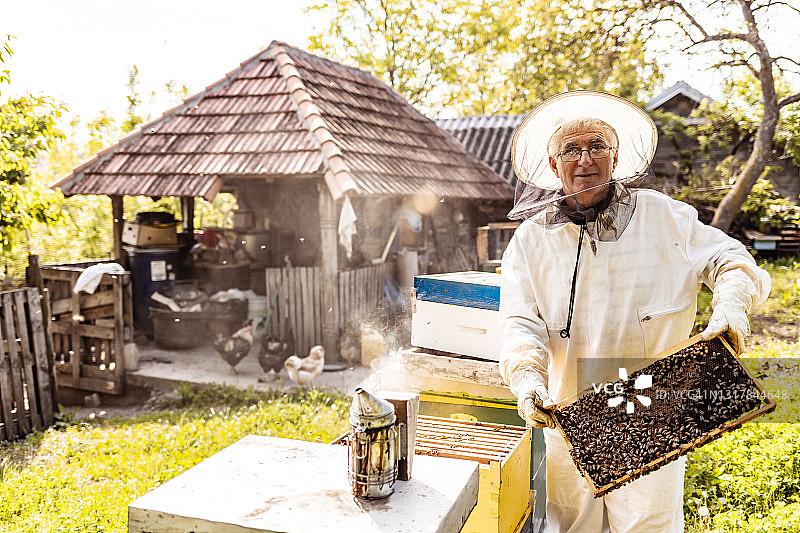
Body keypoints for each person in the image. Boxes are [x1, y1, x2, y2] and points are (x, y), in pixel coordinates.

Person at [498, 91, 771, 533]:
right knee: (573, 527)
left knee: (649, 527)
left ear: (616, 156)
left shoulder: (665, 218)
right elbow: (518, 322)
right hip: (570, 418)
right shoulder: (530, 242)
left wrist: (732, 305)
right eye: (570, 149)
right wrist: (527, 375)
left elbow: (732, 261)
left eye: (597, 146)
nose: (584, 159)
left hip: (651, 413)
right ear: (553, 166)